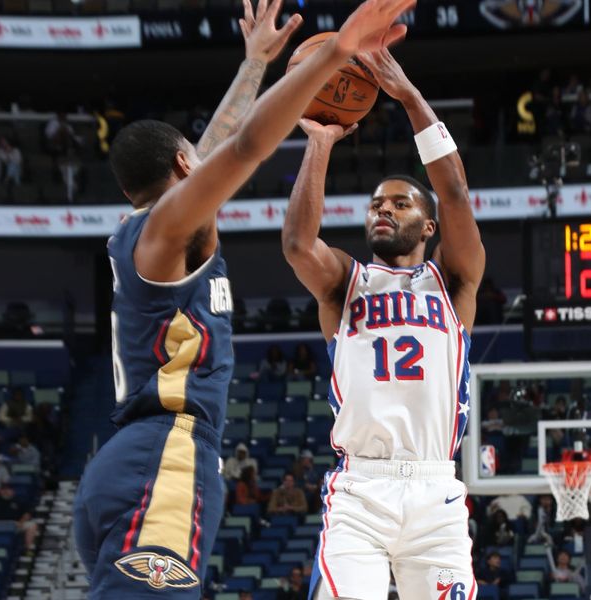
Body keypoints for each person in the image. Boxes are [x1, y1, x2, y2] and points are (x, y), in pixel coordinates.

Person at [71, 0, 413, 597]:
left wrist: (254, 63)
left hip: (133, 460)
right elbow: (245, 145)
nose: (205, 162)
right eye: (195, 160)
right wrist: (334, 51)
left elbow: (217, 143)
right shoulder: (165, 230)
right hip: (164, 457)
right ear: (184, 165)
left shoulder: (153, 230)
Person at [282, 48, 484, 599]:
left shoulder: (455, 282)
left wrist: (409, 97)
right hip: (360, 492)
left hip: (435, 490)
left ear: (428, 226)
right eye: (376, 204)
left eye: (399, 203)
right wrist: (319, 144)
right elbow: (299, 243)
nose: (383, 210)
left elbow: (457, 193)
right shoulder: (344, 282)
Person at [0, 483, 39, 551]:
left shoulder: (19, 500)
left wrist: (21, 522)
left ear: (13, 491)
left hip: (14, 524)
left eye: (8, 490)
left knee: (32, 525)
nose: (6, 491)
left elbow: (27, 514)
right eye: (4, 490)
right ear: (0, 491)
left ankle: (28, 548)